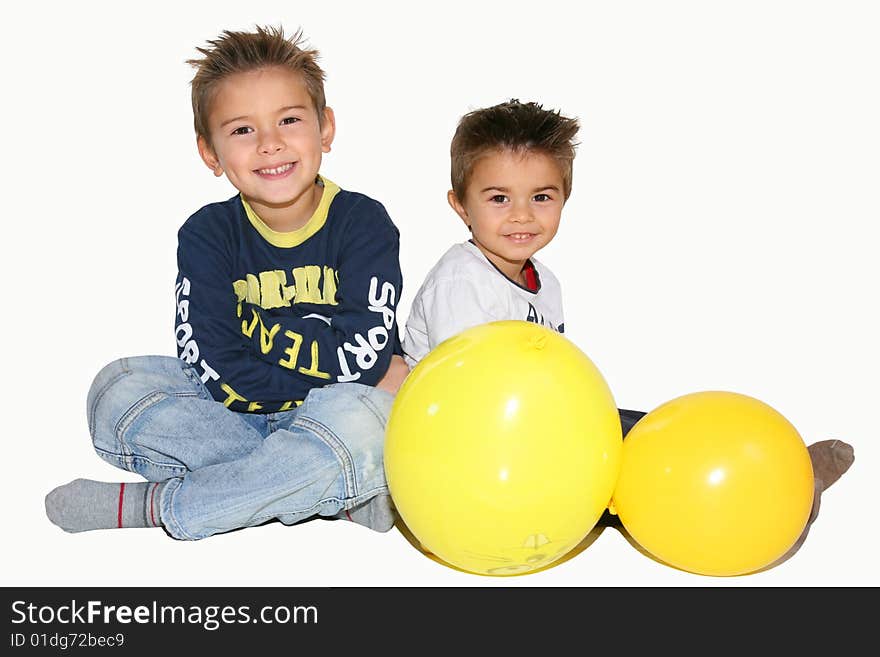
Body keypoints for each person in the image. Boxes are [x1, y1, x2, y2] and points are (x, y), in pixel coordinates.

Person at [400, 98, 854, 554]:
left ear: (564, 199)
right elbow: (469, 397)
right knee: (624, 452)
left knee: (646, 431)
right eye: (499, 198)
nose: (522, 214)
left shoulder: (547, 283)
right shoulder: (462, 280)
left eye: (541, 197)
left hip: (530, 427)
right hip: (469, 450)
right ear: (460, 206)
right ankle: (762, 499)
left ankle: (780, 476)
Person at [45, 25, 409, 540]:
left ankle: (164, 505)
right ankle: (326, 494)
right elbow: (210, 359)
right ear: (210, 152)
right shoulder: (207, 234)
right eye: (242, 130)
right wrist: (341, 381)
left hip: (337, 416)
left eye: (289, 119)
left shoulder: (362, 222)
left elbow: (363, 351)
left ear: (325, 128)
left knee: (365, 423)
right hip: (235, 417)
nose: (270, 143)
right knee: (117, 390)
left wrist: (351, 381)